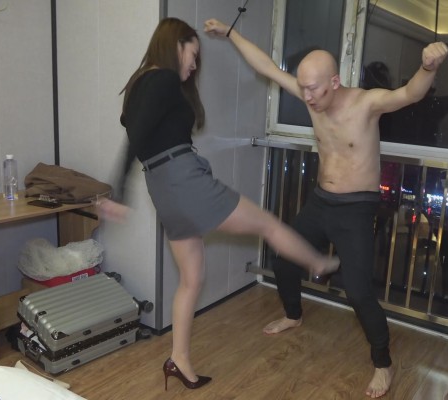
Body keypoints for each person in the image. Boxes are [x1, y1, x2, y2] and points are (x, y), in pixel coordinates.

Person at [204, 18, 448, 398]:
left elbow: (409, 94)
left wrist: (428, 68)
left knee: (358, 291)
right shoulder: (312, 97)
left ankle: (382, 363)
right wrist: (231, 33)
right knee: (284, 259)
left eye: (313, 89)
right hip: (320, 202)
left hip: (356, 208)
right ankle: (293, 315)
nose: (307, 97)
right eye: (302, 88)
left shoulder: (366, 103)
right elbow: (267, 67)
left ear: (334, 82)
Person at [98, 17, 339, 391]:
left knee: (191, 279)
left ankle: (179, 360)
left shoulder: (141, 82)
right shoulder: (162, 78)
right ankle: (318, 263)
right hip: (184, 180)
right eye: (193, 54)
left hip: (163, 187)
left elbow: (134, 127)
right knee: (267, 224)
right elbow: (138, 134)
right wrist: (118, 191)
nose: (195, 64)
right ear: (176, 45)